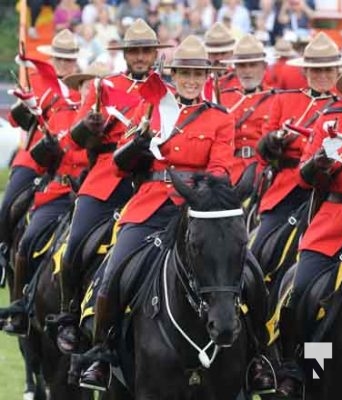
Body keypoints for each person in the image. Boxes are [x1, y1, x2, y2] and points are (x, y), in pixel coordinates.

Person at [78, 34, 235, 391]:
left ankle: (261, 357)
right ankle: (102, 353)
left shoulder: (220, 119)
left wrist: (201, 192)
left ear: (206, 78)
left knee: (249, 270)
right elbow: (119, 165)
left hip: (197, 207)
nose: (192, 81)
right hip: (150, 203)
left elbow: (223, 169)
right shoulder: (149, 108)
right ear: (173, 74)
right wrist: (137, 143)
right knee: (115, 268)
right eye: (185, 74)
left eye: (198, 75)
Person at [55, 19, 173, 354]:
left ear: (154, 53)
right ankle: (69, 314)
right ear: (125, 54)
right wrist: (88, 126)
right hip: (107, 177)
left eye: (145, 50)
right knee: (75, 242)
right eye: (133, 50)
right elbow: (77, 140)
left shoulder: (169, 93)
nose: (139, 56)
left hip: (151, 182)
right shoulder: (102, 87)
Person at [1, 30, 89, 335]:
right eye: (60, 59)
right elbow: (17, 121)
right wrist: (25, 104)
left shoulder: (85, 97)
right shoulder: (38, 83)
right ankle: (16, 300)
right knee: (12, 210)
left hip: (83, 185)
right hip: (44, 169)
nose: (64, 65)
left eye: (69, 59)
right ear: (53, 59)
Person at [275, 68, 342, 397]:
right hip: (336, 218)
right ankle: (300, 367)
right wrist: (319, 162)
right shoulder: (332, 119)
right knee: (301, 290)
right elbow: (304, 178)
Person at [251, 32, 342, 274]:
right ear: (305, 72)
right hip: (290, 186)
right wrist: (275, 141)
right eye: (316, 70)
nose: (322, 76)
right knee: (260, 246)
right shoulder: (285, 101)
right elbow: (263, 151)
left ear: (338, 71)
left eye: (328, 70)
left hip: (331, 189)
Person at [220, 34, 277, 186]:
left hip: (263, 169)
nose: (247, 71)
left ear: (264, 67)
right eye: (242, 66)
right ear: (235, 68)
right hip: (229, 168)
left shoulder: (277, 99)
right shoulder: (223, 97)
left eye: (252, 65)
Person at [203, 22, 239, 91]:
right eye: (214, 53)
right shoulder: (198, 83)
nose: (218, 58)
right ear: (206, 54)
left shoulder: (242, 81)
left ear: (232, 53)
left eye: (223, 53)